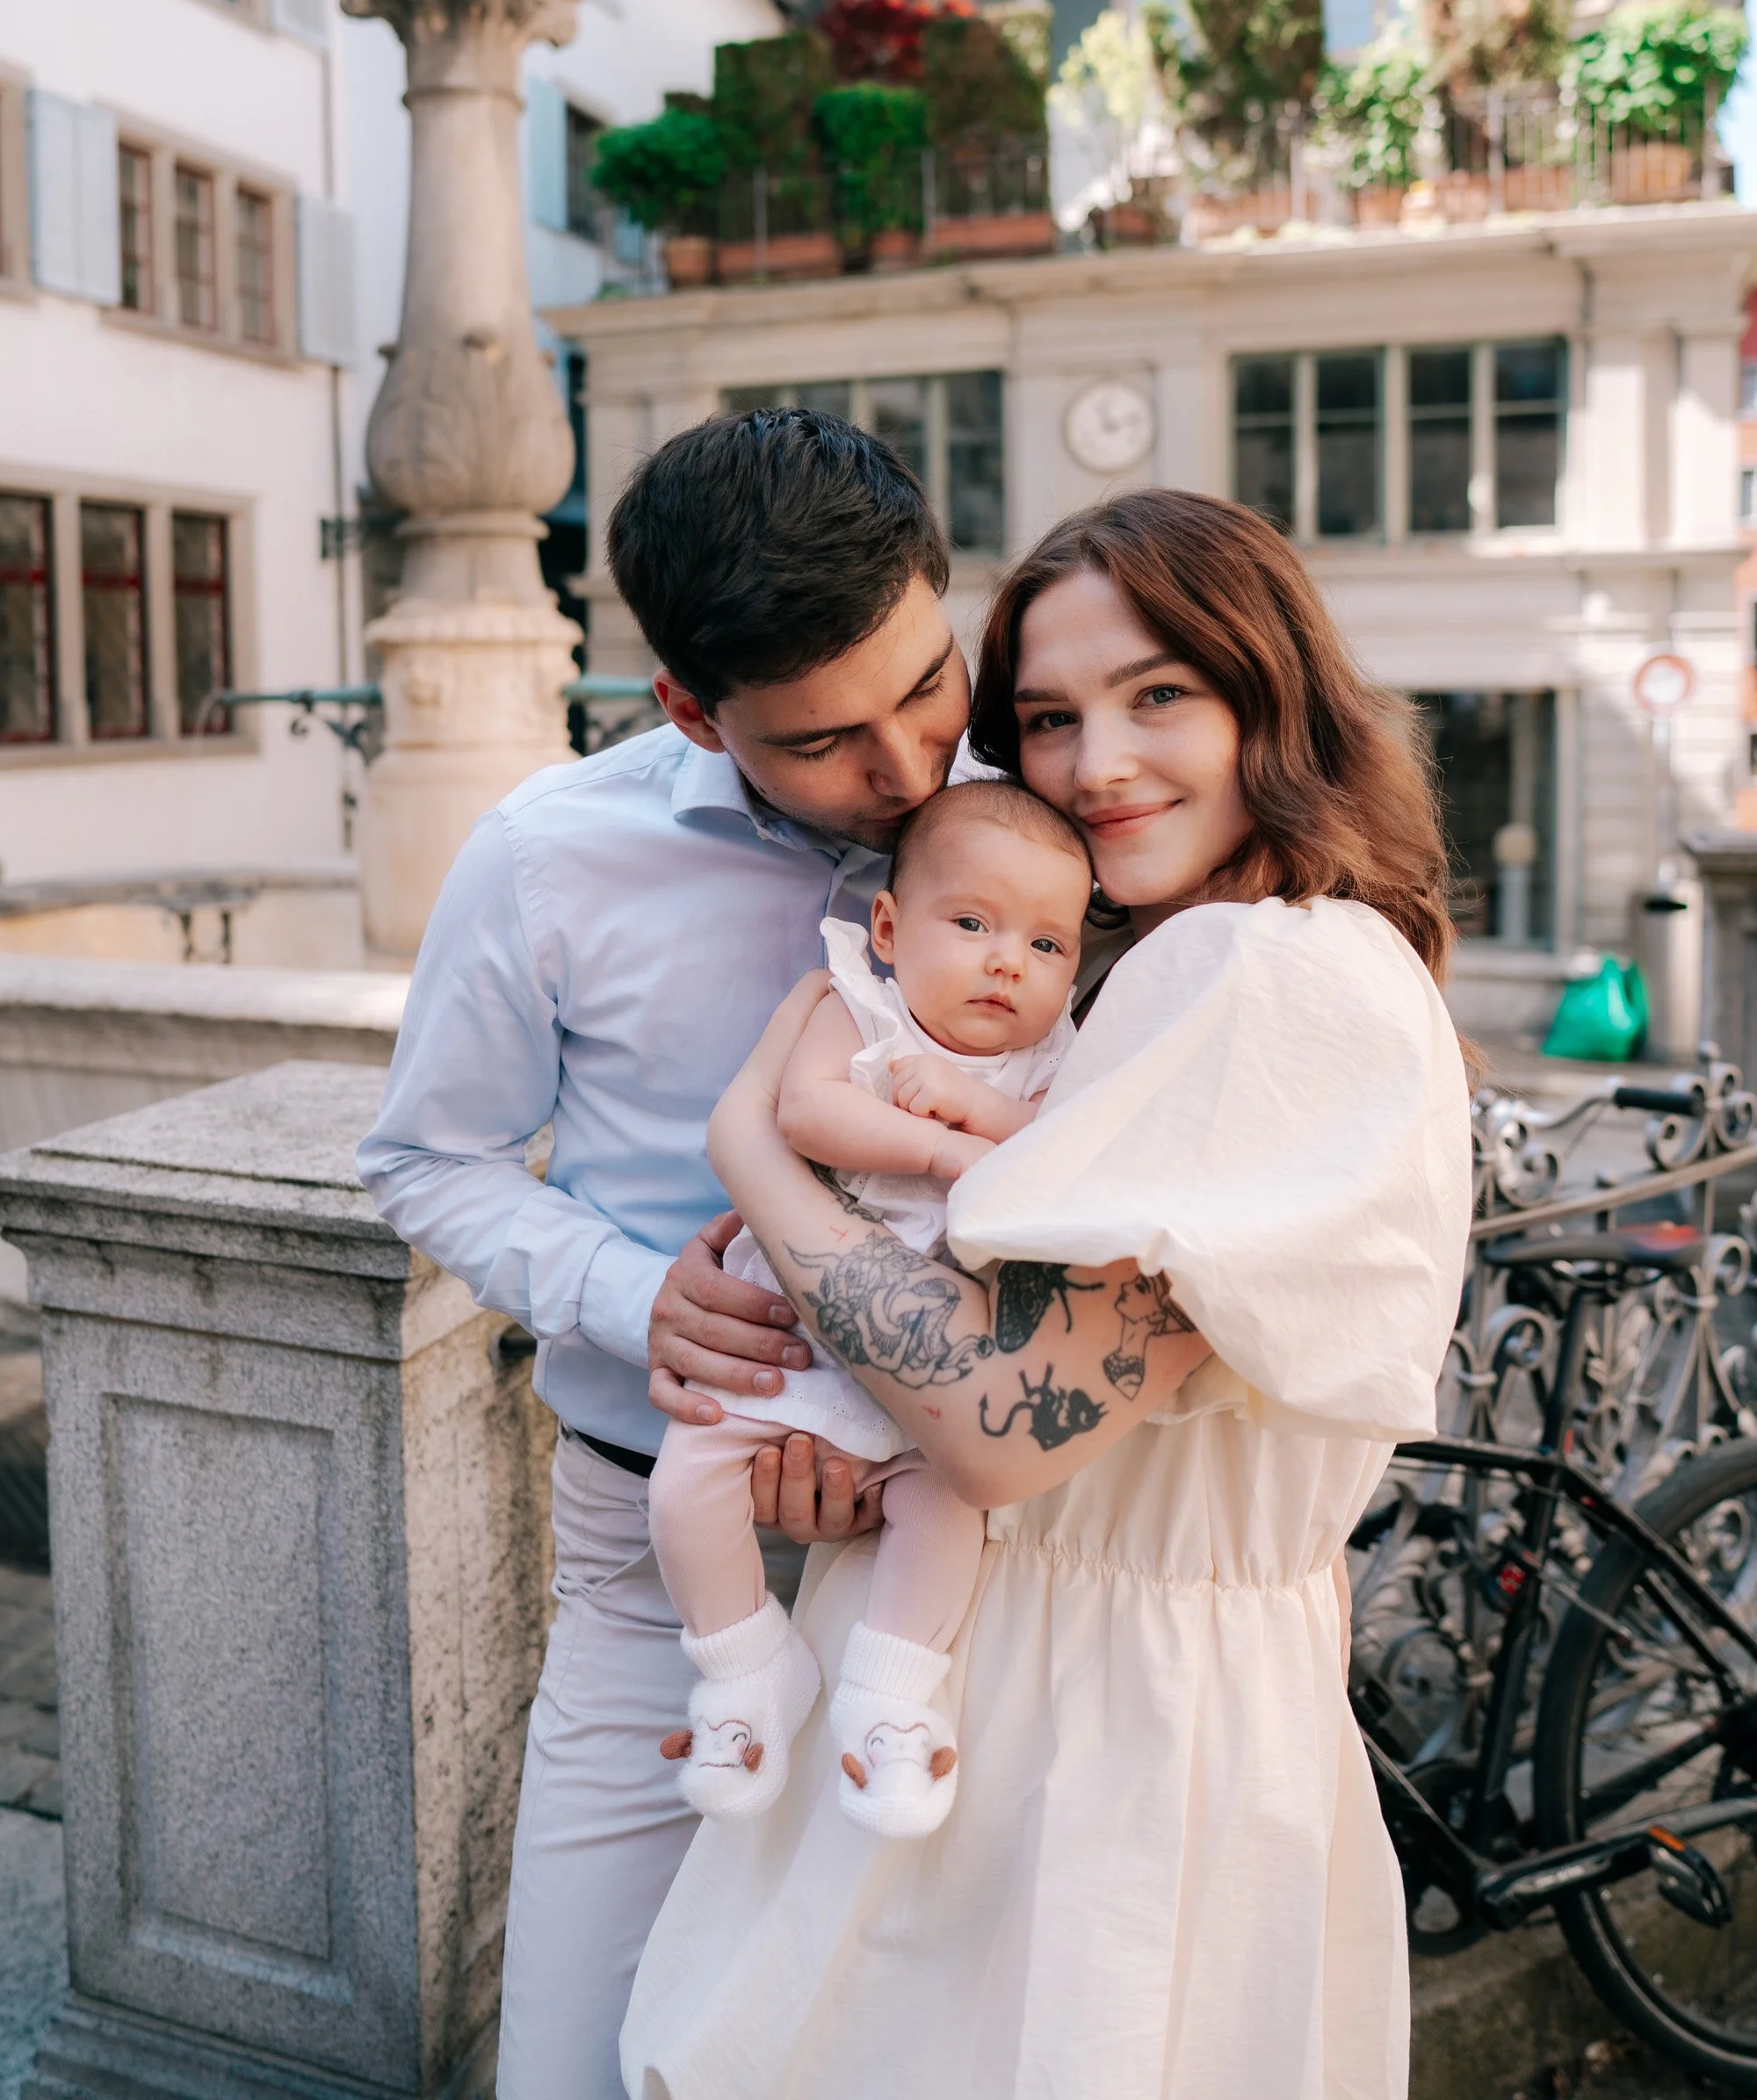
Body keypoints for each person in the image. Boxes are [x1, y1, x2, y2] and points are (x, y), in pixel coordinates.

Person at [621, 487, 1476, 2100]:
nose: (1096, 767)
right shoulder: (1159, 970)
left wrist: (759, 1154)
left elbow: (1000, 1430)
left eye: (1162, 695)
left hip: (1096, 1739)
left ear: (1270, 695)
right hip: (1036, 1691)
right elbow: (1024, 1392)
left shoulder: (1264, 973)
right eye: (1046, 718)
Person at [358, 410, 970, 2100]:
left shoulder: (1038, 828)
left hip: (968, 1560)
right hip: (654, 1552)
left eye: (930, 683)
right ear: (690, 711)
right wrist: (637, 1301)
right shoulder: (546, 859)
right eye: (831, 740)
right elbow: (425, 1157)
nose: (912, 774)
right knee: (577, 2056)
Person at [647, 780, 1088, 1841]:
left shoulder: (1051, 1063)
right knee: (684, 1488)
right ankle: (744, 1670)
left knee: (945, 1511)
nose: (1005, 962)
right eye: (972, 924)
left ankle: (894, 1700)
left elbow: (1067, 1162)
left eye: (1045, 944)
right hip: (792, 1339)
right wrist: (947, 1147)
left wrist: (991, 1112)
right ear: (889, 928)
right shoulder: (858, 1000)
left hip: (930, 1372)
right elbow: (806, 1110)